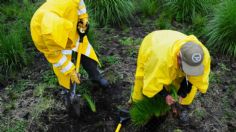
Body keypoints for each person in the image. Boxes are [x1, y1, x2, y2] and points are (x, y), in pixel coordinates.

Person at [30, 0, 108, 92]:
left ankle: (95, 76)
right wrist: (71, 71)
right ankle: (68, 90)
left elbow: (80, 3)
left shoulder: (67, 2)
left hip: (71, 26)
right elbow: (56, 58)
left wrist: (83, 17)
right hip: (54, 45)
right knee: (63, 70)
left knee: (85, 50)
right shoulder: (40, 36)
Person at [131, 30, 211, 107]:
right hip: (153, 43)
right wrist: (165, 95)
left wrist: (183, 93)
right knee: (144, 82)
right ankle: (135, 103)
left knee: (179, 85)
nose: (190, 72)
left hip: (172, 42)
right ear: (178, 57)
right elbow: (153, 81)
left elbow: (193, 78)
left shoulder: (202, 56)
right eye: (187, 67)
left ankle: (176, 101)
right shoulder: (160, 60)